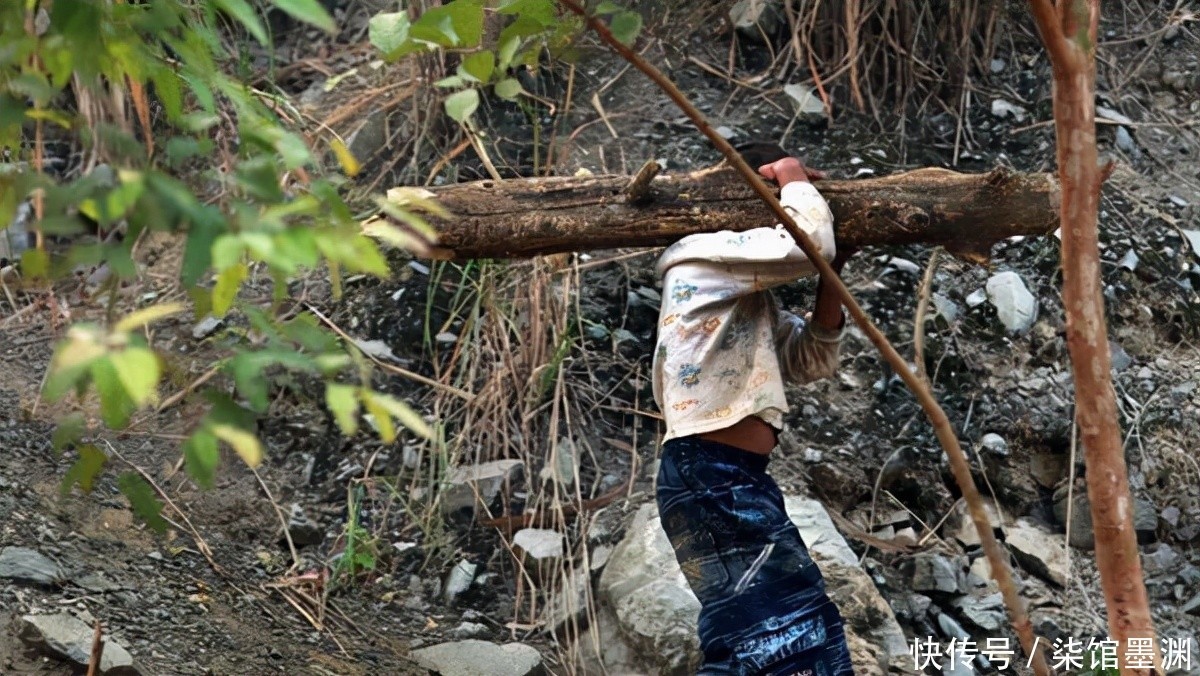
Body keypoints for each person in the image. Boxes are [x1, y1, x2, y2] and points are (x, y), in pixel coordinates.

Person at [651, 149, 854, 675]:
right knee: (782, 634)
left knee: (777, 632)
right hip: (708, 472)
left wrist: (833, 270)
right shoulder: (704, 259)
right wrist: (793, 175)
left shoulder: (742, 293)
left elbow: (811, 358)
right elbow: (812, 242)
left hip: (724, 474)